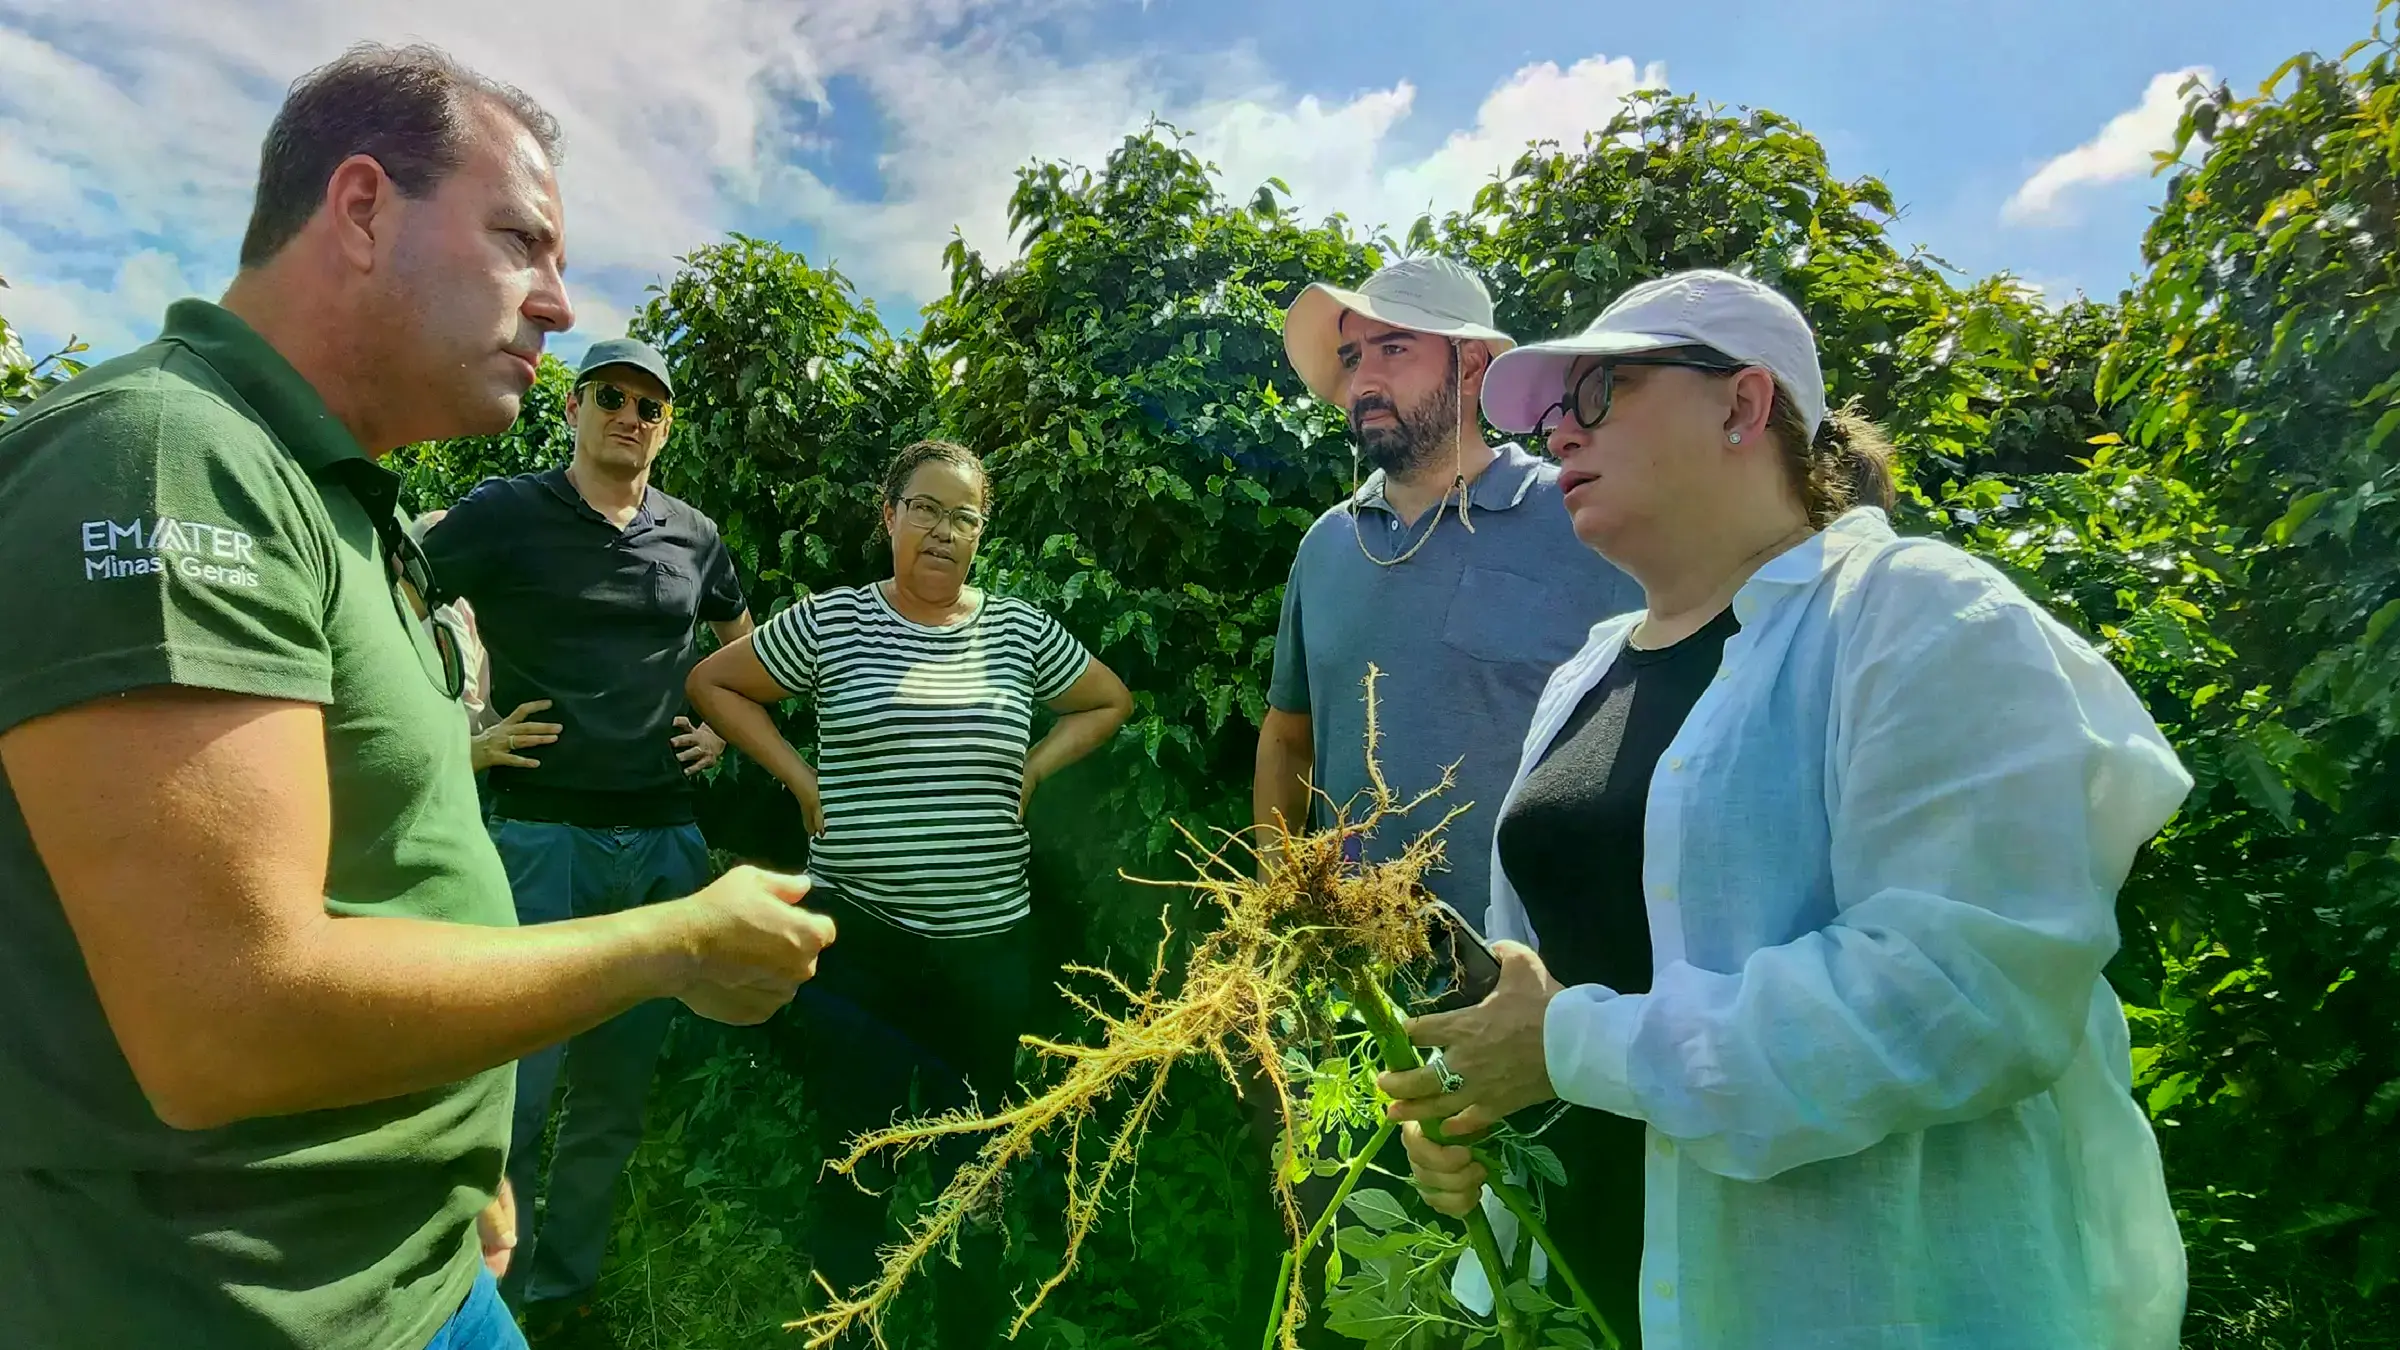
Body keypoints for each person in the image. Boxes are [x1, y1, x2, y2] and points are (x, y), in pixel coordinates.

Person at [0, 44, 833, 1350]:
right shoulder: (169, 463)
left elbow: (358, 861)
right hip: (256, 1308)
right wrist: (671, 943)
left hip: (415, 1259)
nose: (557, 307)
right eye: (520, 241)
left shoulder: (338, 498)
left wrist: (451, 1155)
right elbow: (226, 1017)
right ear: (363, 209)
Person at [1380, 268, 2192, 1348]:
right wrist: (1476, 1112)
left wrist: (1571, 1049)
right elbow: (1536, 992)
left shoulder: (1915, 615)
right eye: (1549, 412)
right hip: (1582, 1297)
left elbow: (1960, 995)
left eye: (1596, 396)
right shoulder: (1583, 677)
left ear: (1744, 404)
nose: (1557, 437)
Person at [687, 438, 1133, 1341]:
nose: (942, 531)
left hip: (988, 954)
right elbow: (714, 683)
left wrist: (1039, 767)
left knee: (977, 1166)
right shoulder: (835, 623)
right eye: (924, 509)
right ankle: (845, 1323)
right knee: (857, 1157)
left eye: (963, 516)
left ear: (981, 533)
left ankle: (967, 1323)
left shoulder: (1018, 631)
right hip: (863, 948)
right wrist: (799, 777)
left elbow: (1108, 700)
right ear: (888, 517)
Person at [419, 335, 754, 1323]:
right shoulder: (506, 513)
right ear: (571, 408)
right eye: (611, 396)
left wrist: (720, 735)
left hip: (663, 846)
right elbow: (392, 605)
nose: (630, 416)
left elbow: (742, 644)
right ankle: (485, 1305)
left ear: (666, 427)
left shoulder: (692, 535)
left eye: (650, 406)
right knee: (512, 1094)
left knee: (614, 1091)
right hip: (538, 838)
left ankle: (564, 1299)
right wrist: (464, 737)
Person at [1259, 256, 1641, 924]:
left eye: (1394, 348)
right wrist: (1278, 891)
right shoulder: (1326, 546)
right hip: (1352, 974)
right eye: (1351, 356)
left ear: (1468, 366)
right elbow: (1289, 737)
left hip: (1529, 979)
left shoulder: (1581, 521)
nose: (1363, 380)